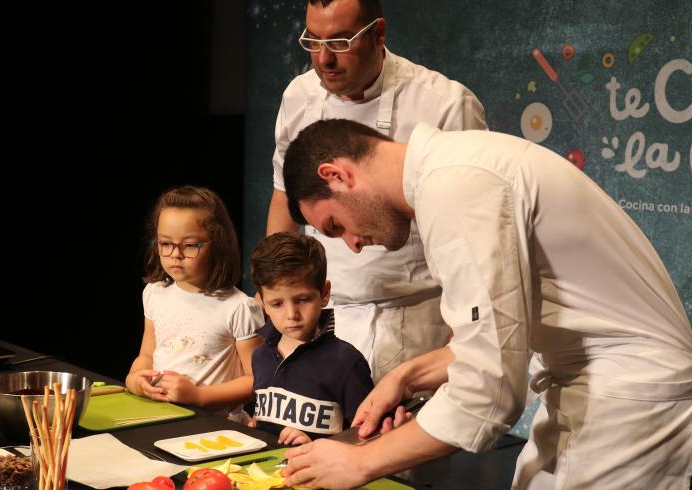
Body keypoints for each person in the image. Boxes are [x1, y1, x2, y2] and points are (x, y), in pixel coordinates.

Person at [279, 119, 692, 490]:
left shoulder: (454, 188)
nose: (352, 244)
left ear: (336, 175)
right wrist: (406, 377)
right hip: (600, 384)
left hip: (628, 401)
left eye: (336, 225)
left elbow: (488, 395)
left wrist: (359, 462)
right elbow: (500, 336)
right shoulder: (457, 167)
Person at [267, 0, 487, 381]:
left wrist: (462, 340)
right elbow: (284, 203)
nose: (323, 59)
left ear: (378, 34)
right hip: (320, 315)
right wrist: (276, 307)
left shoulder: (444, 104)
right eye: (313, 42)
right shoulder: (298, 97)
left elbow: (473, 236)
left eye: (339, 42)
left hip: (415, 318)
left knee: (396, 434)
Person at [125, 186, 264, 421]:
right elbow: (147, 356)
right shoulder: (154, 293)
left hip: (214, 427)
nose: (175, 254)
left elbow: (256, 381)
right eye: (165, 243)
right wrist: (135, 380)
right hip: (159, 417)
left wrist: (198, 395)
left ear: (217, 244)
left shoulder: (239, 307)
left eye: (190, 245)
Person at [249, 231, 374, 445]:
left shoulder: (346, 362)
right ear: (262, 302)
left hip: (326, 474)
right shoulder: (260, 356)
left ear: (324, 293)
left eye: (303, 299)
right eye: (277, 304)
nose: (291, 315)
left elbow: (368, 436)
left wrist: (315, 446)